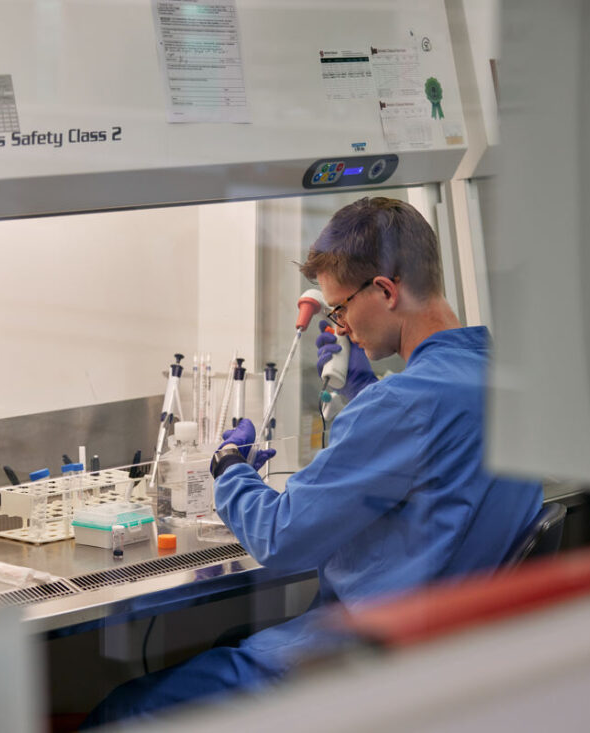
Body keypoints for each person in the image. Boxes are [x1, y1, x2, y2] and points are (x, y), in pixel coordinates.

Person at [83, 197, 542, 727]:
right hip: (449, 663)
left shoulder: (401, 406)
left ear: (386, 292)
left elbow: (281, 538)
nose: (340, 327)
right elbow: (436, 475)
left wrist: (230, 469)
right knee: (230, 643)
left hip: (361, 667)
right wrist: (365, 396)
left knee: (122, 712)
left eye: (339, 309)